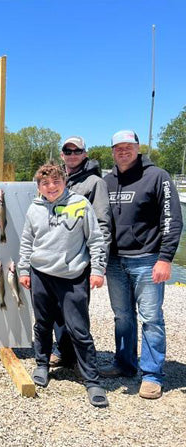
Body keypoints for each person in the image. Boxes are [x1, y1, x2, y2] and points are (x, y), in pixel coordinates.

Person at [100, 130, 183, 400]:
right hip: (115, 261)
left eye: (128, 147)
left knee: (151, 319)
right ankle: (125, 363)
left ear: (138, 148)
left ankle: (151, 374)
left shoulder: (158, 176)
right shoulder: (107, 181)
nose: (123, 152)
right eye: (118, 148)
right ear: (112, 151)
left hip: (148, 259)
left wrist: (165, 258)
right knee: (122, 317)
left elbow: (172, 220)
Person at [18, 163, 108, 407]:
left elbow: (96, 239)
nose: (51, 187)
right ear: (39, 186)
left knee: (79, 328)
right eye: (45, 183)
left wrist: (97, 270)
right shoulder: (34, 209)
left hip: (73, 276)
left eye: (56, 182)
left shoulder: (80, 204)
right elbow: (27, 241)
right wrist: (24, 270)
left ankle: (92, 379)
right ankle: (42, 364)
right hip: (40, 274)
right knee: (43, 324)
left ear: (64, 182)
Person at [50, 136, 113, 368]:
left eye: (78, 151)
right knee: (57, 309)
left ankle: (83, 360)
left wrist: (98, 263)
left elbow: (102, 225)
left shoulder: (95, 183)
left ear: (85, 154)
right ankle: (64, 351)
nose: (73, 154)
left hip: (80, 259)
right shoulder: (56, 180)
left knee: (76, 311)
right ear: (62, 154)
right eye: (68, 150)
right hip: (55, 258)